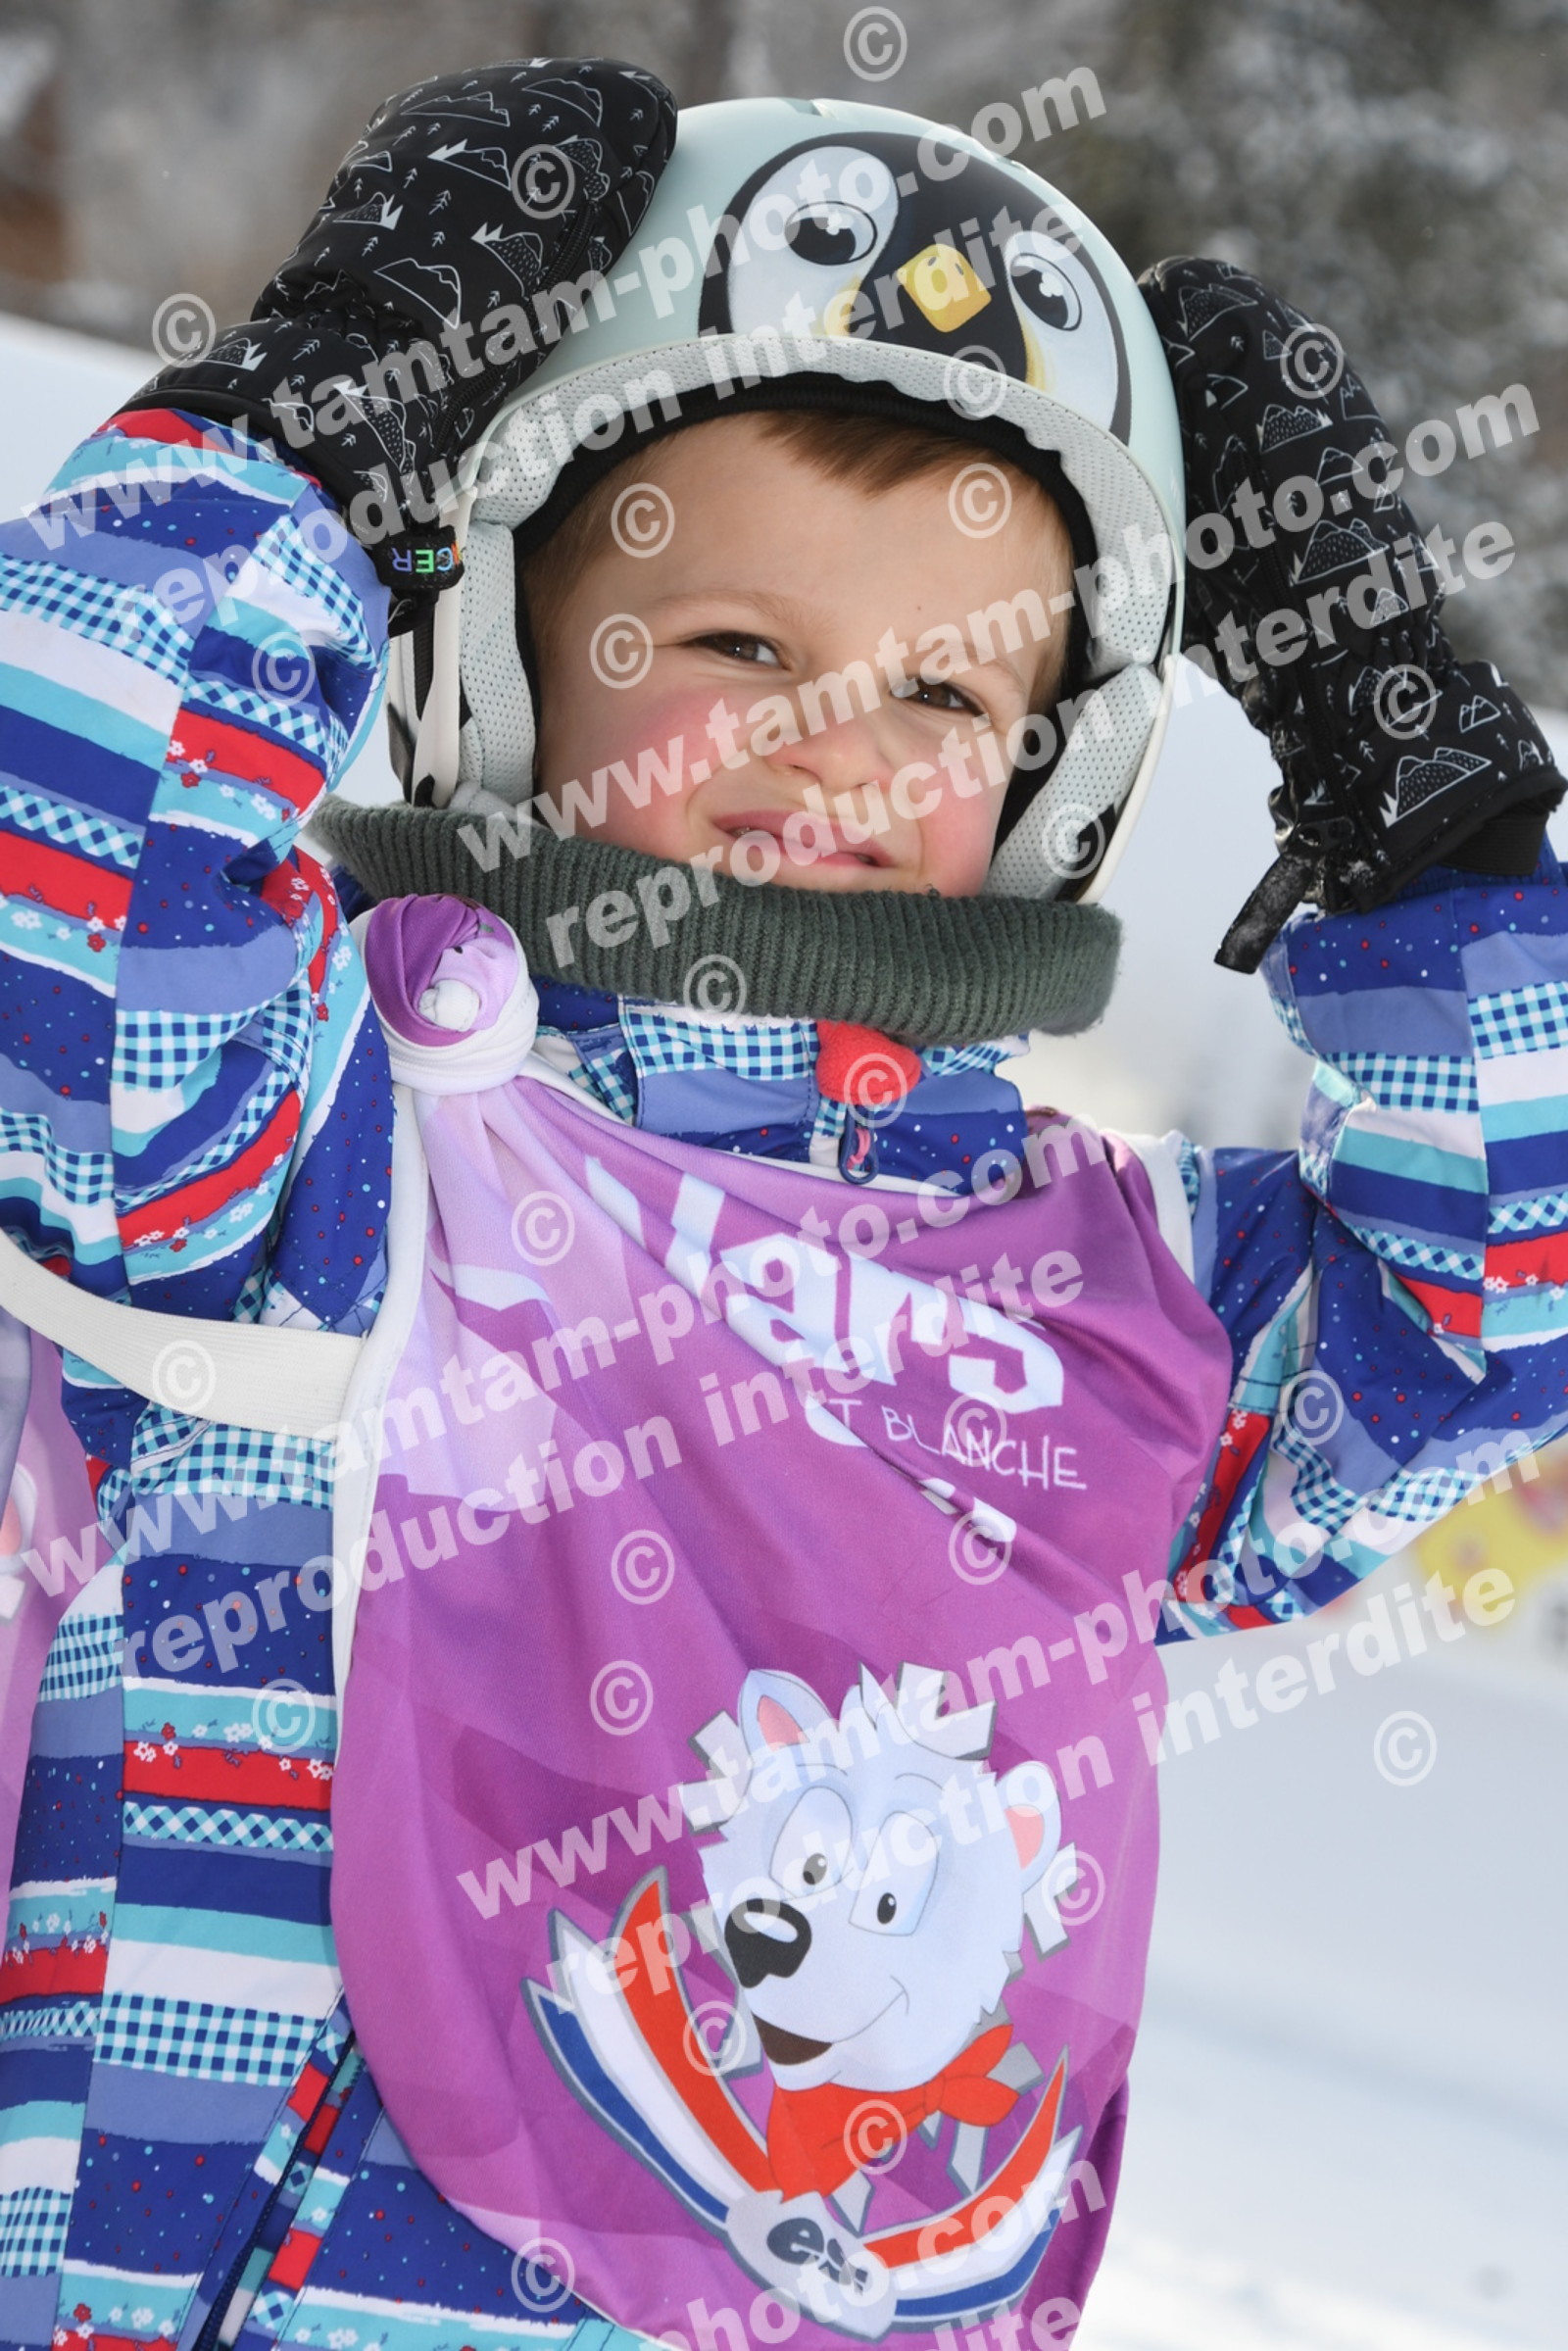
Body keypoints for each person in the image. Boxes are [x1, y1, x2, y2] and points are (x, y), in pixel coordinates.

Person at [0, 53, 1564, 2351]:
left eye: (945, 690)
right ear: (493, 652)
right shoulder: (309, 1134)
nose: (838, 745)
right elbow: (71, 847)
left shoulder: (1091, 1308)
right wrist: (321, 421)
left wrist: (1411, 784)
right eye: (735, 648)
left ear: (1060, 778)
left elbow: (1494, 1309)